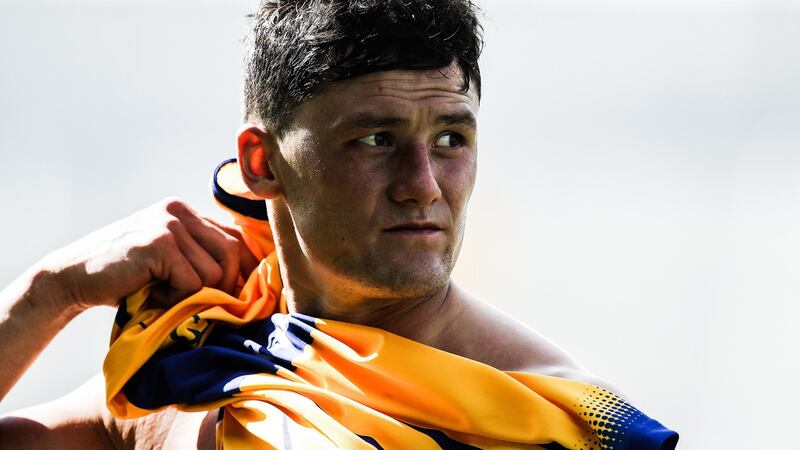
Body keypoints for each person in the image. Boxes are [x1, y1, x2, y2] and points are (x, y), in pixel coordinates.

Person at [0, 1, 677, 449]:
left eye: (451, 139)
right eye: (376, 140)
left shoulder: (554, 423)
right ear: (262, 163)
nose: (423, 185)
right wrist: (49, 292)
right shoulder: (200, 354)